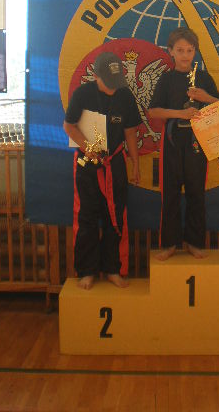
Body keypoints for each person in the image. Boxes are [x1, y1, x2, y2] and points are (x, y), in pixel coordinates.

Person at [63, 51, 141, 290]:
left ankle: (113, 269)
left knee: (115, 216)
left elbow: (130, 133)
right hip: (86, 163)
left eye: (116, 82)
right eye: (109, 82)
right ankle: (87, 271)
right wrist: (87, 149)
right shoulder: (82, 94)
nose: (113, 88)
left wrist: (135, 164)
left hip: (115, 162)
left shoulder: (125, 95)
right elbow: (69, 126)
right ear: (96, 76)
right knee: (86, 217)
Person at [147, 27, 219, 261]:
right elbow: (153, 111)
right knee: (170, 193)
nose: (185, 55)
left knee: (196, 192)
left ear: (195, 52)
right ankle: (169, 244)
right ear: (170, 51)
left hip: (198, 143)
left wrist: (205, 97)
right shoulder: (166, 79)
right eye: (180, 50)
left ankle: (194, 242)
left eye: (189, 50)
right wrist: (180, 114)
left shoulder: (203, 77)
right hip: (172, 142)